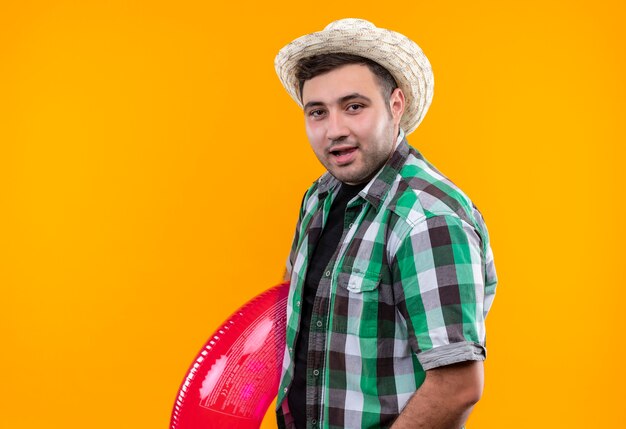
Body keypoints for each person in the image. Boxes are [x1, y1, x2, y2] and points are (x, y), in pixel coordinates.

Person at [273, 18, 497, 429]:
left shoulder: (426, 219)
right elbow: (293, 299)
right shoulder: (320, 196)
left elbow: (457, 386)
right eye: (317, 112)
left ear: (396, 105)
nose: (334, 130)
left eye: (354, 106)